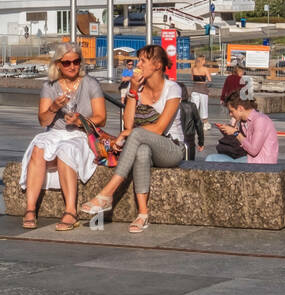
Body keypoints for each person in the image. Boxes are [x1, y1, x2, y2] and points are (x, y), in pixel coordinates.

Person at [80, 44, 184, 233]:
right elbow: (128, 124)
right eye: (139, 60)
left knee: (136, 134)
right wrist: (133, 91)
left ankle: (107, 193)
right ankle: (143, 214)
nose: (138, 65)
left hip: (172, 148)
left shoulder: (173, 89)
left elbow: (159, 128)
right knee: (142, 151)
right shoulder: (136, 86)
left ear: (157, 65)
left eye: (143, 61)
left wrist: (127, 134)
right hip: (149, 147)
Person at [19, 42, 107, 232]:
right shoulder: (49, 86)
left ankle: (70, 210)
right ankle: (30, 208)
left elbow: (101, 119)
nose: (72, 66)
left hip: (81, 134)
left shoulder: (91, 84)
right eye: (67, 63)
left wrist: (79, 121)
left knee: (66, 151)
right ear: (58, 64)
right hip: (55, 132)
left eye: (76, 61)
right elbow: (43, 121)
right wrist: (53, 108)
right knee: (38, 147)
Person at [206, 92, 278, 164]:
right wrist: (228, 132)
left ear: (240, 108)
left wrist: (236, 133)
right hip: (247, 158)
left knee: (214, 161)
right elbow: (241, 144)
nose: (230, 114)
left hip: (261, 162)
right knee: (211, 158)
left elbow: (253, 151)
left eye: (231, 111)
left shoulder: (260, 120)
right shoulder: (244, 122)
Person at [180, 85, 206, 160]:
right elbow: (198, 124)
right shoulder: (192, 106)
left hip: (175, 139)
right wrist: (201, 142)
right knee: (189, 164)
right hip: (189, 140)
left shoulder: (172, 106)